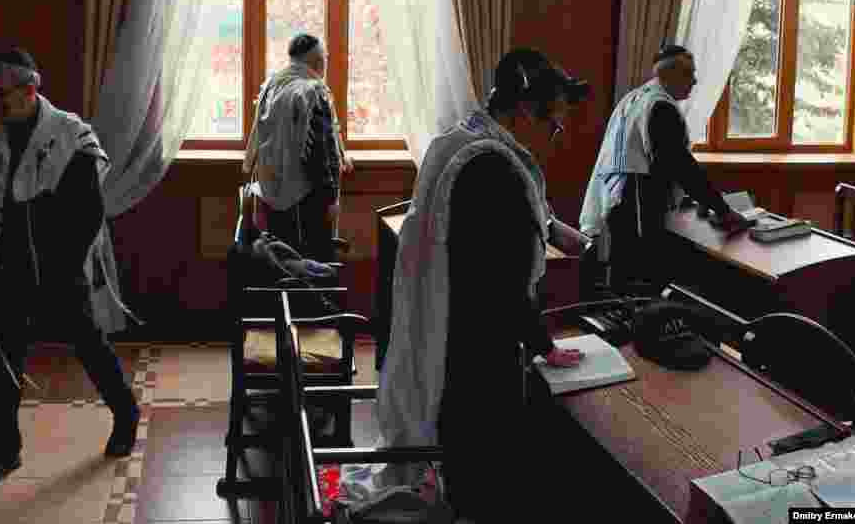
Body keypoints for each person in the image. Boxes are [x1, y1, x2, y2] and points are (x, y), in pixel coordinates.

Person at [377, 48, 591, 519]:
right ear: (522, 112)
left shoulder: (459, 139)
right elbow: (502, 284)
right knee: (488, 483)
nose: (555, 139)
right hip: (474, 354)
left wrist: (553, 228)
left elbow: (500, 216)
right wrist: (544, 345)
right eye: (553, 125)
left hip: (445, 324)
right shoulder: (493, 165)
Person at [0, 48, 139, 490]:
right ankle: (4, 450)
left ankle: (126, 414)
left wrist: (64, 264)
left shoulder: (69, 136)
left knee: (89, 344)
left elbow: (89, 210)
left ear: (31, 89)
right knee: (4, 357)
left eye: (4, 95)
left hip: (60, 266)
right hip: (9, 268)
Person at [580, 44, 747, 290]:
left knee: (622, 273)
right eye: (689, 74)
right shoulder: (661, 107)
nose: (695, 80)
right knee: (641, 279)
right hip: (635, 203)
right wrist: (722, 209)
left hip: (617, 195)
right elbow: (681, 166)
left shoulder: (636, 97)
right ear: (669, 76)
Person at [242, 33, 352, 262]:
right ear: (319, 61)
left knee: (283, 262)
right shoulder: (312, 91)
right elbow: (320, 150)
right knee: (312, 268)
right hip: (306, 198)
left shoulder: (272, 85)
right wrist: (330, 198)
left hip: (270, 192)